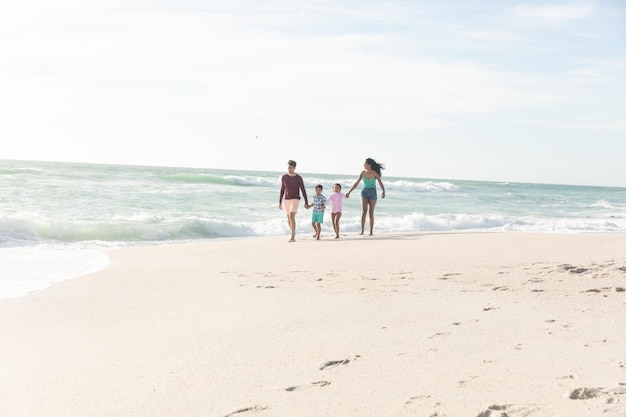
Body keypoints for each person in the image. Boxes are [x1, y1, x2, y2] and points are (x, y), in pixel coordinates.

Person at [345, 158, 386, 236]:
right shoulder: (363, 173)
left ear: (369, 165)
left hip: (373, 192)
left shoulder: (375, 174)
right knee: (364, 212)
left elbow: (380, 183)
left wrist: (383, 191)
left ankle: (371, 232)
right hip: (364, 192)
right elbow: (357, 182)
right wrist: (349, 192)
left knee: (371, 213)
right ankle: (362, 231)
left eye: (365, 164)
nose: (364, 165)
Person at [278, 160, 309, 242]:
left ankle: (292, 237)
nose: (289, 169)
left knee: (292, 215)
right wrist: (279, 202)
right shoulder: (284, 177)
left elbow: (303, 190)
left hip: (295, 199)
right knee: (288, 218)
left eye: (291, 168)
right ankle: (293, 232)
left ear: (294, 168)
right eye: (288, 168)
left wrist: (306, 202)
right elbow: (282, 189)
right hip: (287, 199)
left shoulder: (298, 178)